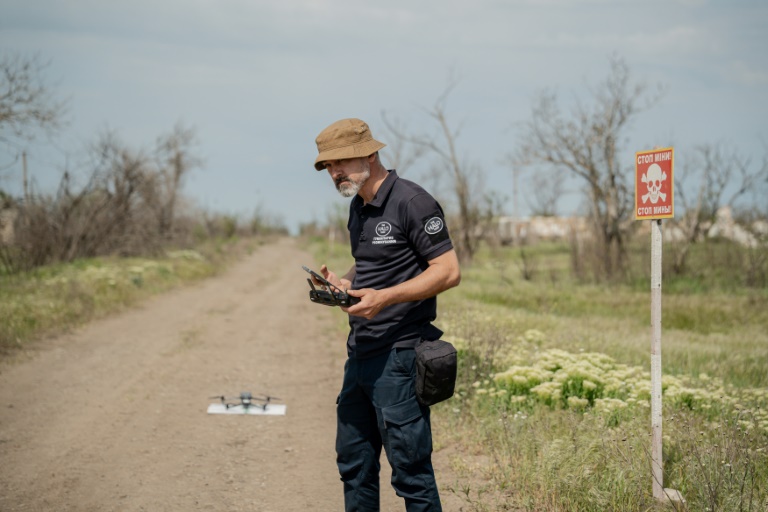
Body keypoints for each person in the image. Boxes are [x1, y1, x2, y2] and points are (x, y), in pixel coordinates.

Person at [310, 118, 461, 512]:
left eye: (340, 161)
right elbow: (369, 265)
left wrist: (385, 299)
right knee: (354, 465)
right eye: (327, 166)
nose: (334, 172)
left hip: (401, 355)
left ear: (371, 153)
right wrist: (342, 284)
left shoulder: (412, 202)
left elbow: (448, 271)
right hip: (359, 353)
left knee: (411, 473)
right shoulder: (358, 206)